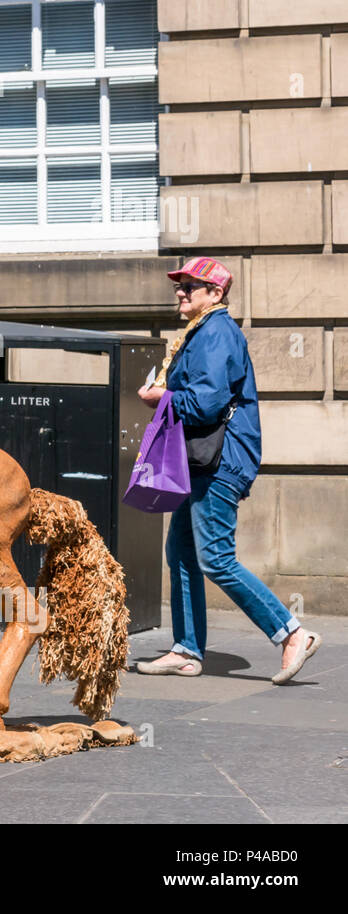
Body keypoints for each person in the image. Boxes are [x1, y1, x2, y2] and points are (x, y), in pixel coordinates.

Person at [135, 257, 320, 683]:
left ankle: (292, 633)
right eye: (179, 285)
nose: (181, 292)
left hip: (219, 461)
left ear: (216, 294)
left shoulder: (216, 332)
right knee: (181, 552)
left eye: (191, 286)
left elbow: (207, 402)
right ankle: (186, 649)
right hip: (202, 460)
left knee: (215, 558)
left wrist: (161, 397)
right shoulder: (202, 331)